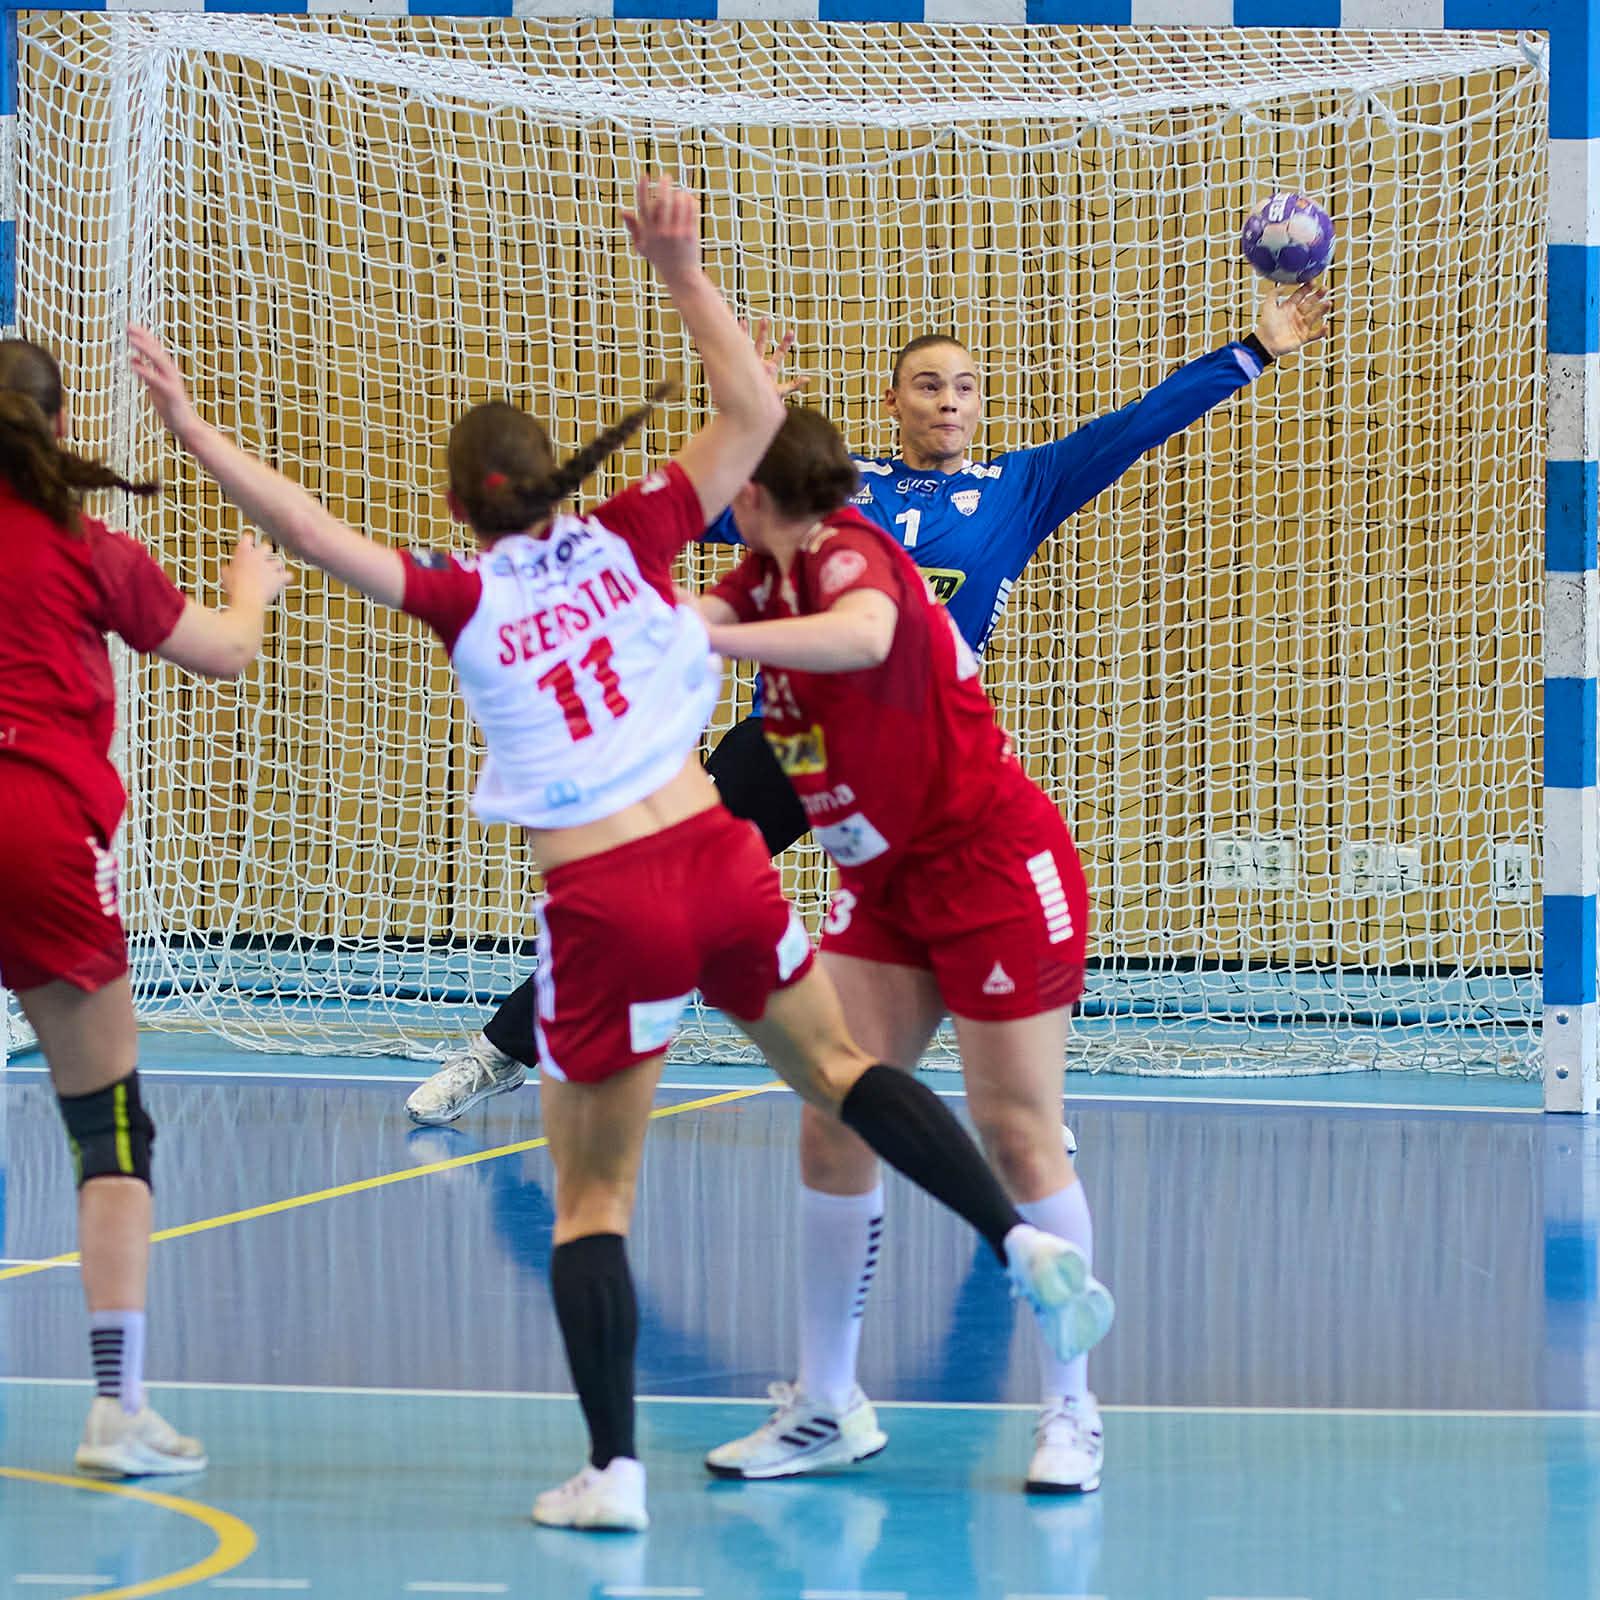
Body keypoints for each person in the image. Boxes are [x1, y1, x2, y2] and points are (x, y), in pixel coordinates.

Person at [127, 176, 1112, 1533]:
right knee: (834, 1091)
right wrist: (682, 272)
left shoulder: (556, 585)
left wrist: (192, 429)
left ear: (461, 505)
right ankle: (895, 1342)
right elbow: (745, 415)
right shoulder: (640, 541)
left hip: (715, 888)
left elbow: (306, 531)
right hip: (741, 869)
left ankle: (630, 1468)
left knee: (599, 1196)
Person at [404, 282, 1333, 1126]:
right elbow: (688, 508)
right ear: (893, 402)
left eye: (964, 388)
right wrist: (743, 423)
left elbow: (1134, 427)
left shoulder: (1020, 489)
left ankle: (1024, 1109)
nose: (949, 402)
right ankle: (498, 1053)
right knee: (649, 900)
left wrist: (1252, 350)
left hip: (912, 759)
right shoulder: (831, 487)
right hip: (790, 741)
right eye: (928, 386)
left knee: (977, 917)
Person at [691, 402, 1118, 1495]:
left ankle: (1072, 1410)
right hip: (882, 884)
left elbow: (867, 637)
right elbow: (684, 609)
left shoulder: (856, 555)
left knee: (1018, 1134)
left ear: (754, 496)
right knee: (835, 1111)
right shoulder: (762, 579)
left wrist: (703, 638)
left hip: (989, 869)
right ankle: (826, 1402)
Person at [0, 337, 290, 1476]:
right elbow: (225, 653)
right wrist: (250, 588)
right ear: (62, 427)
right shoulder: (89, 547)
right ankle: (117, 1410)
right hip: (38, 827)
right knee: (108, 1125)